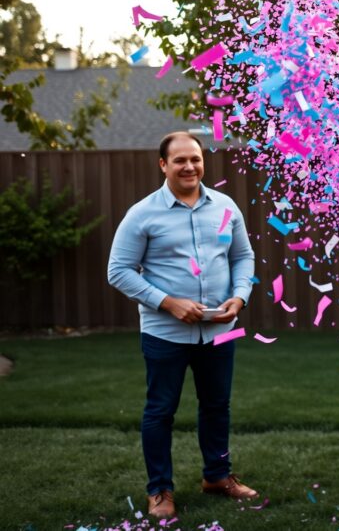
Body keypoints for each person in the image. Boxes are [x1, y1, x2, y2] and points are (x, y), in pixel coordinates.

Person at [107, 132, 258, 519]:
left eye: (195, 158)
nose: (189, 166)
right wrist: (168, 303)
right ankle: (159, 490)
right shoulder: (142, 213)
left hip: (221, 330)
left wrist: (240, 297)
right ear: (163, 165)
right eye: (179, 160)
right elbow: (118, 271)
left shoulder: (225, 206)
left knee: (217, 406)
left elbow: (243, 257)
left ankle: (217, 476)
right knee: (160, 411)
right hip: (164, 333)